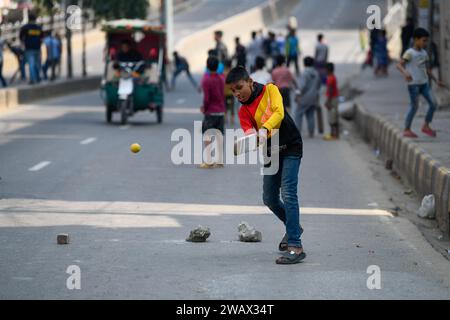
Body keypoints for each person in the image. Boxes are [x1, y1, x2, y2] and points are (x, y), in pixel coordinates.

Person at [225, 66, 306, 265]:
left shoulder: (271, 90)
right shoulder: (243, 110)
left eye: (239, 88)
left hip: (291, 146)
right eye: (233, 91)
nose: (236, 94)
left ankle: (295, 245)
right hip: (271, 152)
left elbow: (278, 113)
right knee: (269, 198)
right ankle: (293, 226)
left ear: (250, 82)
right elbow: (249, 134)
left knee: (288, 193)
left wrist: (265, 129)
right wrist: (250, 140)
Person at [396, 28, 445, 138]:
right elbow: (399, 65)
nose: (425, 43)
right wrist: (405, 73)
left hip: (424, 83)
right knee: (414, 106)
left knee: (433, 103)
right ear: (416, 40)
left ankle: (426, 125)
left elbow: (427, 69)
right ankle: (407, 129)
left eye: (426, 41)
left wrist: (436, 80)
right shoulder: (409, 53)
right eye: (423, 40)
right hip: (413, 84)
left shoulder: (424, 53)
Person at [200, 56, 226, 169]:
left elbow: (207, 98)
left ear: (207, 66)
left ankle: (209, 160)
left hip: (211, 111)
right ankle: (219, 160)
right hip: (221, 111)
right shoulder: (222, 78)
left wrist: (204, 108)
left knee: (207, 136)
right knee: (219, 136)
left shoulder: (206, 80)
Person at [294, 57, 321, 137]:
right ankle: (311, 132)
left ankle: (297, 132)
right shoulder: (316, 73)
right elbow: (318, 85)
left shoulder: (304, 73)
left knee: (298, 114)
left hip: (304, 98)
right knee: (310, 115)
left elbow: (301, 86)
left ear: (304, 63)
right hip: (313, 97)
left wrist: (297, 95)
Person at [20, 14, 43, 84]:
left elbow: (21, 38)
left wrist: (24, 44)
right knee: (37, 64)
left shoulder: (25, 28)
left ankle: (33, 79)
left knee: (31, 64)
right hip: (38, 48)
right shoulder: (39, 28)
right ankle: (38, 78)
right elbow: (42, 38)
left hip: (29, 49)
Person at [324, 63, 340, 140]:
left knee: (332, 117)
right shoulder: (333, 77)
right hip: (334, 98)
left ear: (328, 70)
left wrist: (328, 101)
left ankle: (333, 134)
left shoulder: (330, 78)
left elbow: (330, 90)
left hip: (332, 99)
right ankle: (335, 134)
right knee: (334, 116)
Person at [223, 59, 235, 125]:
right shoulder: (232, 72)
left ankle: (225, 119)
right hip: (231, 92)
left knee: (225, 106)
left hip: (224, 92)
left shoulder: (223, 72)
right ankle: (232, 120)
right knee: (232, 106)